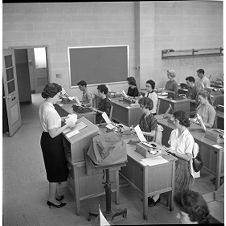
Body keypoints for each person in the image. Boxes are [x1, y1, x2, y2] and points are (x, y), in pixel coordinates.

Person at [39, 83, 75, 208]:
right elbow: (53, 133)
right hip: (52, 141)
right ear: (53, 95)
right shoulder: (50, 111)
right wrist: (68, 125)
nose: (60, 97)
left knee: (54, 168)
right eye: (59, 95)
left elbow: (50, 124)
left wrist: (62, 120)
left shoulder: (45, 104)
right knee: (54, 170)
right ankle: (51, 199)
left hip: (46, 139)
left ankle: (55, 195)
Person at [138, 97, 160, 206]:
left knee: (150, 169)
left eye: (141, 107)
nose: (140, 108)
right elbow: (140, 127)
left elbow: (152, 134)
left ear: (147, 107)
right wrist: (136, 129)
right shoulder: (143, 116)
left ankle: (155, 195)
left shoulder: (153, 119)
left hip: (150, 145)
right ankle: (147, 190)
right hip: (143, 142)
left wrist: (141, 131)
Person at [167, 110, 194, 192]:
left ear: (180, 121)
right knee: (157, 168)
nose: (173, 122)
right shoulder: (173, 132)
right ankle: (157, 194)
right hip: (172, 158)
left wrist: (175, 152)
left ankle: (158, 195)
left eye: (175, 120)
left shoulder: (188, 137)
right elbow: (170, 147)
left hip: (182, 163)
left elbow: (188, 158)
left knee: (166, 174)